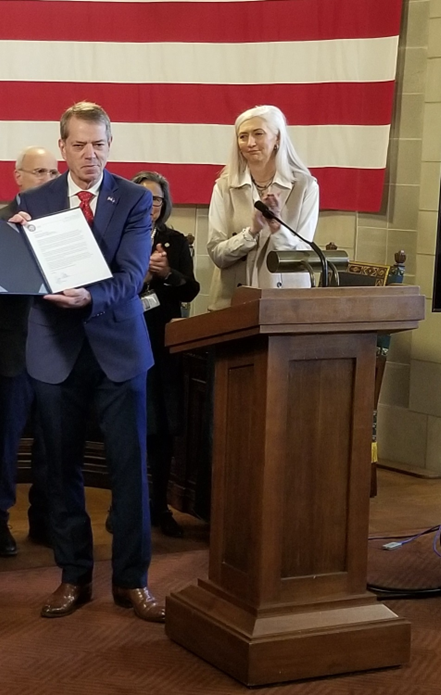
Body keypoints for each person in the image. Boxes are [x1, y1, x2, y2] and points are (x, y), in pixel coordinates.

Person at [11, 101, 164, 622]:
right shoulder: (33, 200)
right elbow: (10, 279)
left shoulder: (135, 199)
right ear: (62, 147)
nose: (90, 154)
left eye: (99, 144)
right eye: (79, 145)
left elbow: (132, 273)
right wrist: (14, 247)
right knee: (60, 471)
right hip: (55, 352)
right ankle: (73, 576)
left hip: (119, 350)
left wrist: (89, 299)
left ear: (109, 145)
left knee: (129, 471)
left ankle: (132, 581)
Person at [0, 146, 58, 556]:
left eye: (52, 171)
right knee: (5, 442)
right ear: (19, 176)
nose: (47, 178)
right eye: (38, 171)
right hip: (13, 348)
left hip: (56, 351)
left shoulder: (69, 223)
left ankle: (43, 519)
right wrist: (13, 239)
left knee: (51, 442)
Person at [130, 171, 200, 537]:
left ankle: (159, 505)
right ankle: (125, 507)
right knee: (132, 428)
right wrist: (141, 278)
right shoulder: (119, 236)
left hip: (164, 344)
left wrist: (167, 273)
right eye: (144, 199)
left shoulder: (173, 241)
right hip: (127, 341)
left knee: (162, 430)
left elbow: (190, 290)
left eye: (156, 200)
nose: (151, 206)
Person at [207, 104, 319, 310]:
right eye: (243, 136)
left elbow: (305, 258)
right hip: (232, 306)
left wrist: (278, 230)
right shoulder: (224, 187)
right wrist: (251, 232)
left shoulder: (305, 186)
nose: (250, 143)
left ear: (277, 138)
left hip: (286, 307)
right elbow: (217, 254)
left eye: (258, 134)